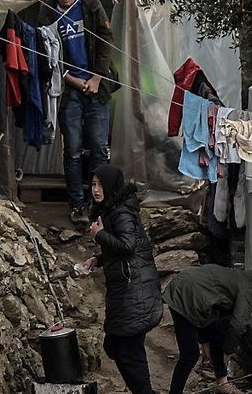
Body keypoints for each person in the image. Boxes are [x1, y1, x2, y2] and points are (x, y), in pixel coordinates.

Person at [38, 0, 119, 225]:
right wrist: (71, 79)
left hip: (97, 86)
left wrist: (96, 78)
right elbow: (45, 57)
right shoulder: (46, 12)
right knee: (72, 150)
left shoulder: (90, 4)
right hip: (67, 90)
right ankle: (77, 205)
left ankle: (102, 206)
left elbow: (107, 43)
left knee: (99, 148)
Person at [80, 165, 161, 394]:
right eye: (93, 184)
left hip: (136, 291)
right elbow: (120, 249)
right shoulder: (111, 209)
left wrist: (100, 234)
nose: (95, 189)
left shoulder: (121, 212)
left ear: (111, 185)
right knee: (114, 345)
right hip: (126, 290)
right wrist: (97, 259)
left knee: (130, 351)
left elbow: (127, 245)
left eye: (100, 184)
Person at [162, 265, 252, 394]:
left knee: (217, 335)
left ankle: (223, 382)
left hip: (185, 285)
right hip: (186, 295)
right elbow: (238, 324)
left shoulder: (237, 278)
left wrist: (206, 341)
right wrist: (228, 352)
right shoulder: (250, 292)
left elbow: (218, 317)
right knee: (190, 355)